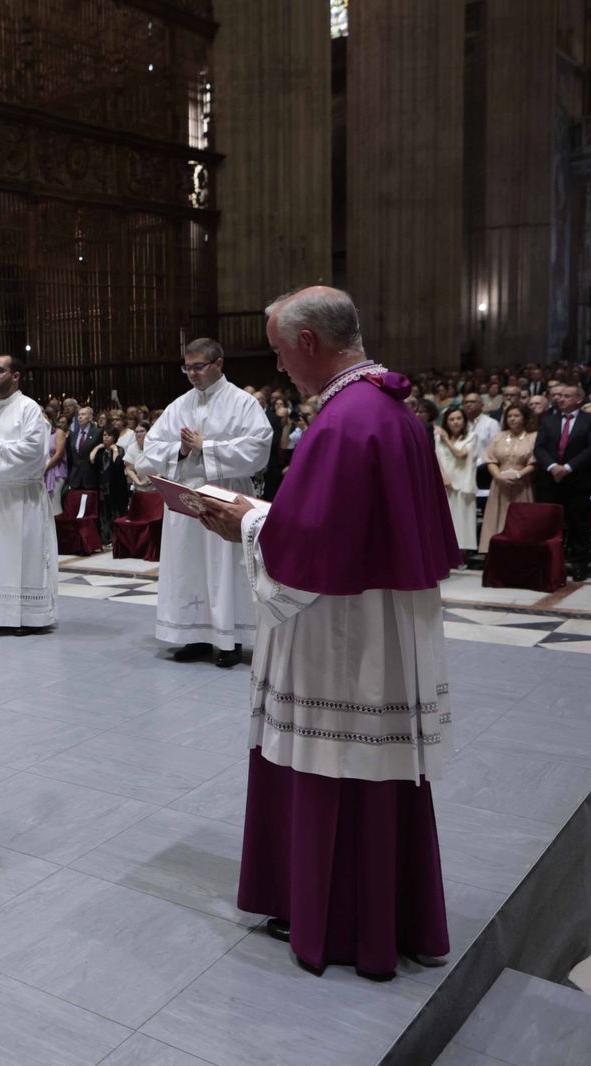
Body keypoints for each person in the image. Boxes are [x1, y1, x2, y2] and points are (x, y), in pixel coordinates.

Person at [198, 285, 459, 981]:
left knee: (339, 764)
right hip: (377, 621)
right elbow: (331, 520)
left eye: (282, 354)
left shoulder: (346, 420)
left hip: (345, 638)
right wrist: (271, 512)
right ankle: (375, 915)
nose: (281, 367)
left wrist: (245, 521)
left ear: (309, 344)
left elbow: (308, 546)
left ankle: (340, 922)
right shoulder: (385, 407)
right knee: (372, 772)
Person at [133, 338, 273, 669]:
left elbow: (259, 448)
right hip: (185, 498)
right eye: (187, 368)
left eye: (199, 367)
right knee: (189, 565)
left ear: (218, 364)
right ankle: (193, 634)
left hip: (226, 495)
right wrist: (180, 451)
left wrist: (206, 447)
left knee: (225, 566)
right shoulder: (178, 405)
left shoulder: (243, 403)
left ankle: (230, 639)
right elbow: (149, 451)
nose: (192, 374)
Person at [0, 354, 58, 634]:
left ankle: (28, 617)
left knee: (25, 555)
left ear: (15, 376)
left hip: (22, 496)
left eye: (0, 371)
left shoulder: (30, 410)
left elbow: (35, 452)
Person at [534, 383, 591, 580]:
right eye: (559, 396)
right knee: (548, 522)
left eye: (566, 396)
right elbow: (539, 448)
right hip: (550, 480)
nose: (560, 399)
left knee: (578, 523)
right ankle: (547, 562)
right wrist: (552, 467)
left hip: (577, 480)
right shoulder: (549, 420)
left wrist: (568, 468)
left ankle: (579, 564)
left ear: (579, 399)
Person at [479, 402, 536, 553]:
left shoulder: (533, 437)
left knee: (520, 518)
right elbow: (490, 459)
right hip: (499, 483)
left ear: (524, 418)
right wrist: (498, 476)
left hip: (522, 483)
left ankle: (519, 551)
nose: (512, 419)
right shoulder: (499, 436)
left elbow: (534, 462)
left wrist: (519, 474)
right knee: (497, 517)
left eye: (516, 415)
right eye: (509, 416)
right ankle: (496, 551)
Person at [434, 408, 478, 553]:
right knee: (443, 519)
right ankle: (443, 554)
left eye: (458, 418)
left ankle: (460, 555)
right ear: (446, 421)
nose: (455, 422)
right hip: (444, 481)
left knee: (462, 520)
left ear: (464, 421)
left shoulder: (471, 436)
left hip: (463, 482)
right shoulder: (437, 437)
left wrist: (446, 439)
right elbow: (436, 458)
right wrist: (443, 476)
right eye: (451, 419)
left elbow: (461, 454)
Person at [91, 427, 126, 543]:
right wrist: (97, 447)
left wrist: (114, 449)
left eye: (109, 435)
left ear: (114, 438)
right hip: (102, 486)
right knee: (104, 513)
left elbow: (118, 463)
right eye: (104, 435)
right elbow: (91, 459)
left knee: (115, 512)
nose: (106, 437)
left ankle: (117, 538)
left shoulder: (119, 449)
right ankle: (106, 538)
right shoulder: (100, 451)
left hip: (115, 487)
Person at [64, 406, 100, 491]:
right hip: (75, 478)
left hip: (91, 476)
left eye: (83, 414)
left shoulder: (97, 432)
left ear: (90, 417)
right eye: (79, 415)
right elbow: (70, 456)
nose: (80, 417)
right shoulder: (73, 434)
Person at [44, 414, 69, 515]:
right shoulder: (41, 434)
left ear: (50, 419)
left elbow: (59, 454)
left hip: (56, 472)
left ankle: (57, 529)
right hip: (42, 473)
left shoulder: (59, 433)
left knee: (54, 505)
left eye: (45, 418)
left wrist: (44, 468)